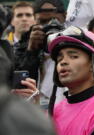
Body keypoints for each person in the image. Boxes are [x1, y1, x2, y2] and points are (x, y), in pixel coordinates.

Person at [0, 4, 56, 135]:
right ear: (12, 21)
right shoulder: (6, 49)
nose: (24, 19)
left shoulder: (48, 44)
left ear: (34, 19)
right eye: (19, 15)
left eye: (28, 15)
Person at [14, 0, 67, 107]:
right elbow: (20, 85)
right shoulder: (24, 45)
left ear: (65, 18)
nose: (51, 26)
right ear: (35, 21)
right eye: (43, 22)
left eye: (55, 21)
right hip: (34, 110)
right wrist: (31, 51)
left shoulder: (77, 44)